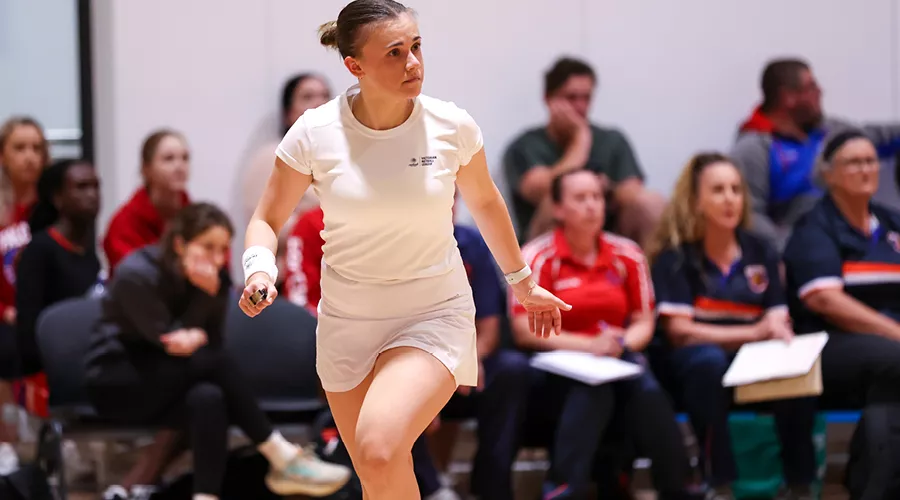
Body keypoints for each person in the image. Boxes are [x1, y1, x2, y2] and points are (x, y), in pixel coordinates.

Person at [240, 1, 570, 499]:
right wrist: (259, 270)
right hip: (347, 324)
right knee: (378, 475)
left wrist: (524, 284)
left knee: (378, 447)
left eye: (416, 46)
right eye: (395, 52)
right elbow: (266, 219)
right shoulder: (314, 132)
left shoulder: (451, 125)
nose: (413, 63)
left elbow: (486, 202)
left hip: (432, 314)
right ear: (355, 66)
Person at [85, 203, 351, 500]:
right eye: (208, 247)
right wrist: (202, 305)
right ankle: (280, 454)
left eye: (223, 249)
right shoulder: (137, 274)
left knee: (208, 397)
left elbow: (209, 344)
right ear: (180, 244)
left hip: (174, 380)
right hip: (118, 381)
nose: (217, 258)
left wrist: (205, 303)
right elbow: (173, 344)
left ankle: (206, 496)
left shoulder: (214, 281)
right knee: (214, 365)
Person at [511, 169, 693, 500]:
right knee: (593, 392)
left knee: (646, 388)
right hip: (558, 365)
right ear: (558, 208)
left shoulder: (628, 254)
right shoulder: (537, 257)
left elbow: (643, 320)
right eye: (580, 198)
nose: (592, 205)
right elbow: (524, 329)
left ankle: (678, 487)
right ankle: (564, 488)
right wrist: (588, 346)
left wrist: (620, 343)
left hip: (616, 356)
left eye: (597, 197)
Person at [648, 153, 817, 500]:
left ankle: (800, 484)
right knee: (707, 363)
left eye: (736, 190)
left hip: (750, 356)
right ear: (696, 201)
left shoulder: (761, 251)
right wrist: (753, 333)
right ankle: (718, 481)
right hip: (693, 362)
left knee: (795, 364)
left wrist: (778, 330)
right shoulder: (675, 257)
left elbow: (776, 315)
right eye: (718, 190)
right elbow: (681, 331)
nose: (730, 199)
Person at [783, 130, 900, 499]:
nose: (865, 169)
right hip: (827, 345)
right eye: (853, 162)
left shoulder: (892, 223)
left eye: (870, 160)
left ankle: (873, 483)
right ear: (829, 174)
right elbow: (825, 301)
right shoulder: (815, 227)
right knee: (893, 358)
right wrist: (894, 332)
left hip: (886, 350)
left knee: (889, 392)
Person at [732, 58, 900, 251]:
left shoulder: (830, 131)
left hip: (856, 242)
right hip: (801, 252)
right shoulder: (755, 149)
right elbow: (749, 214)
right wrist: (789, 247)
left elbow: (879, 137)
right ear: (788, 97)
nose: (820, 92)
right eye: (811, 87)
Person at [502, 57, 664, 245]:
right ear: (548, 99)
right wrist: (580, 140)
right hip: (546, 237)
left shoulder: (612, 140)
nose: (580, 107)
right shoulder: (526, 145)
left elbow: (633, 192)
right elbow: (540, 190)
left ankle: (641, 263)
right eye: (571, 98)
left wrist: (604, 188)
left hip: (608, 234)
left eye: (586, 98)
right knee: (556, 200)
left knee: (650, 202)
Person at [16, 159, 102, 378]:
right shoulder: (39, 250)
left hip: (85, 364)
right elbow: (28, 330)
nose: (92, 195)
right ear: (58, 198)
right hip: (49, 372)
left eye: (96, 186)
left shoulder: (88, 252)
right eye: (82, 187)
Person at [0, 116, 49, 473]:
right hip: (6, 315)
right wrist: (5, 310)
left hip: (47, 314)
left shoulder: (56, 207)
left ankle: (52, 441)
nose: (30, 156)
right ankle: (6, 442)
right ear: (3, 156)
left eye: (36, 148)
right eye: (19, 148)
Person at [104, 129, 191, 273]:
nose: (180, 166)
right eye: (168, 159)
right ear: (146, 169)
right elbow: (131, 277)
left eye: (185, 158)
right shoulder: (124, 223)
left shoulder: (196, 218)